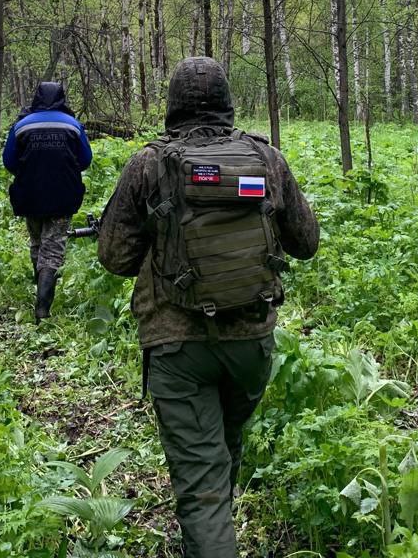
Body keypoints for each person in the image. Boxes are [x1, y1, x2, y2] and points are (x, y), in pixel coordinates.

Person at [97, 56, 319, 558]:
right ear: (227, 103)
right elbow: (306, 242)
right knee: (221, 447)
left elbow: (114, 257)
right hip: (251, 341)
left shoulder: (149, 163)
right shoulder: (266, 159)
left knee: (202, 481)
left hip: (177, 344)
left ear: (171, 106)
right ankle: (211, 533)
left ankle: (211, 535)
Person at [2, 81, 92, 321]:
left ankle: (39, 289)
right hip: (63, 194)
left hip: (29, 194)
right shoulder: (73, 125)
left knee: (37, 242)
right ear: (61, 98)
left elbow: (9, 161)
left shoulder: (21, 126)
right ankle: (43, 306)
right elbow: (85, 160)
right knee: (53, 247)